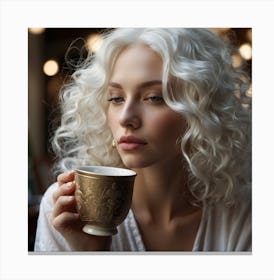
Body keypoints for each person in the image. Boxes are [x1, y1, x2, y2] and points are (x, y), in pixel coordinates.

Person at [34, 28, 252, 252]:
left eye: (154, 98)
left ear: (201, 110)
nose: (126, 118)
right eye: (116, 98)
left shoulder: (246, 214)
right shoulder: (67, 210)